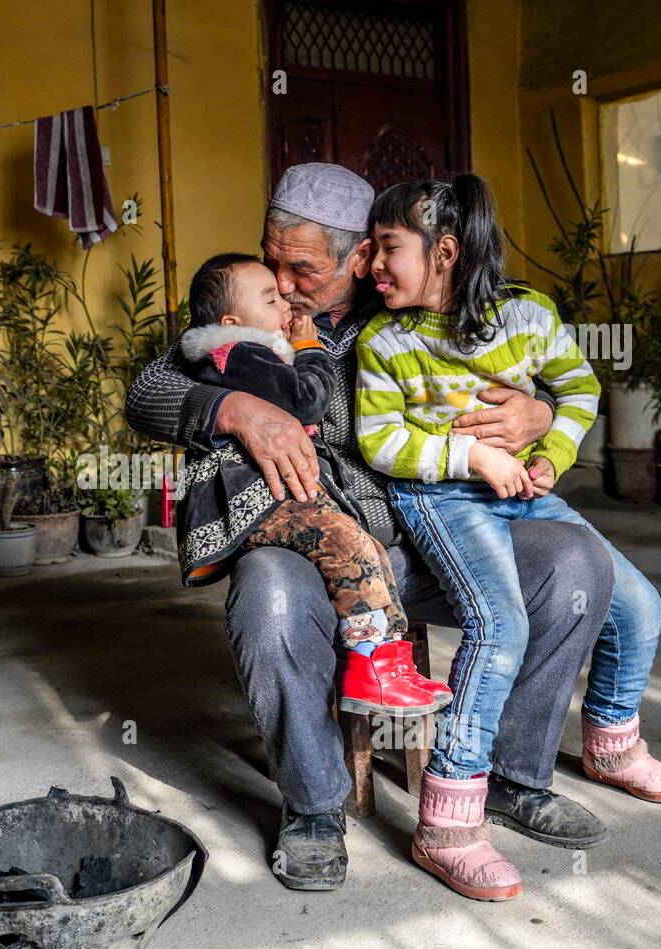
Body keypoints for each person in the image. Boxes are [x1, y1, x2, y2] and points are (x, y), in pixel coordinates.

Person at [125, 162, 615, 892]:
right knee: (268, 594)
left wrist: (539, 412)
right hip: (314, 549)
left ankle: (513, 774)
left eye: (303, 267)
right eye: (272, 259)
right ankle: (314, 805)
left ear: (362, 257)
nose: (282, 281)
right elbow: (149, 389)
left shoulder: (414, 301)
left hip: (442, 540)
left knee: (575, 562)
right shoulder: (253, 317)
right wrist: (234, 410)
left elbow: (545, 372)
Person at [357, 173, 661, 901]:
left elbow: (580, 390)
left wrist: (548, 456)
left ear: (445, 252)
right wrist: (474, 456)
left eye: (388, 249)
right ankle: (448, 820)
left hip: (524, 494)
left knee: (639, 604)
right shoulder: (388, 339)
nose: (374, 266)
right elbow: (381, 441)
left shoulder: (529, 316)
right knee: (496, 621)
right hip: (445, 496)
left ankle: (611, 743)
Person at [174, 252, 451, 716]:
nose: (285, 300)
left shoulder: (245, 353)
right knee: (347, 545)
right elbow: (307, 400)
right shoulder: (238, 352)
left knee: (362, 546)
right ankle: (371, 671)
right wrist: (308, 347)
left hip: (275, 494)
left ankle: (387, 661)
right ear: (232, 320)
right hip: (256, 497)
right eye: (269, 299)